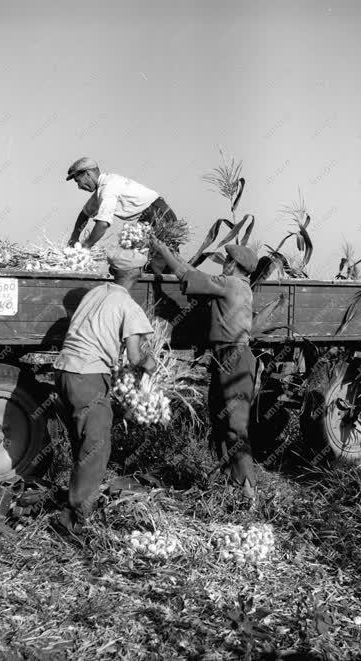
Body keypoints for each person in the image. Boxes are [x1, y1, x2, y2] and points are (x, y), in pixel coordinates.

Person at [52, 247, 156, 535]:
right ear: (137, 273)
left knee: (83, 442)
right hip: (87, 375)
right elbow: (135, 358)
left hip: (64, 371)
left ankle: (76, 502)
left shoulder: (95, 293)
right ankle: (74, 521)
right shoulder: (128, 305)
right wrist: (151, 363)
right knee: (97, 445)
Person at [149, 236, 258, 500]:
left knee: (235, 428)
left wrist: (163, 249)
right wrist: (173, 253)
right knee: (221, 423)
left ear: (235, 265)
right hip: (225, 357)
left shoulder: (231, 284)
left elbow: (188, 277)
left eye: (228, 260)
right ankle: (229, 486)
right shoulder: (236, 285)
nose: (224, 264)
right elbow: (194, 274)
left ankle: (250, 493)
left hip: (235, 358)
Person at [65, 157, 178, 251]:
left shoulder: (108, 188)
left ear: (88, 174)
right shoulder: (102, 188)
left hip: (158, 216)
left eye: (78, 181)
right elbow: (84, 214)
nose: (79, 187)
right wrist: (74, 237)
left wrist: (86, 246)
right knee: (137, 260)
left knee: (158, 262)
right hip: (149, 217)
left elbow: (103, 224)